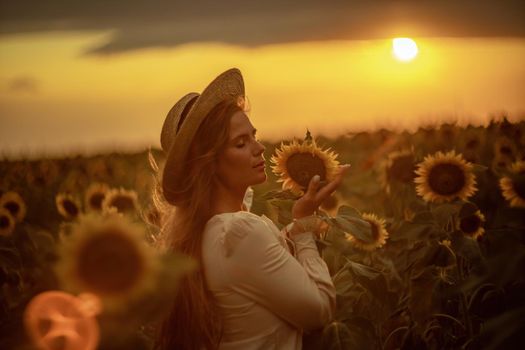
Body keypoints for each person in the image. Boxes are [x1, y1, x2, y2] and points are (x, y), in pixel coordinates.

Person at [153, 68, 351, 350]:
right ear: (210, 163)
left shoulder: (208, 231)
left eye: (253, 136)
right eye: (240, 143)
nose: (258, 148)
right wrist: (305, 224)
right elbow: (318, 311)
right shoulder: (239, 232)